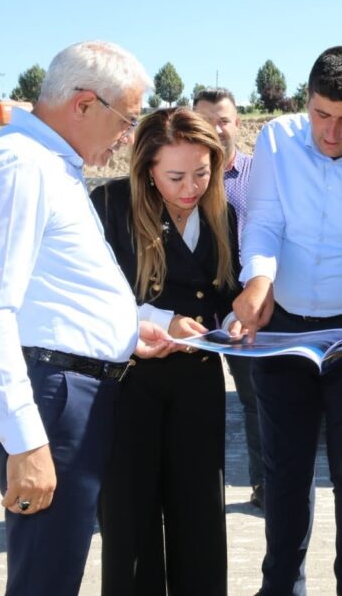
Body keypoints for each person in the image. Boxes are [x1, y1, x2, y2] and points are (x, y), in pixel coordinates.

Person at [0, 40, 176, 595]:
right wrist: (26, 442)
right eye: (126, 119)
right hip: (51, 401)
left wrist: (130, 330)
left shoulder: (49, 165)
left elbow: (52, 290)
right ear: (83, 104)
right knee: (46, 580)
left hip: (68, 390)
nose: (128, 136)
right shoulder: (19, 167)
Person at [231, 46, 342, 595]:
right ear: (307, 102)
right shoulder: (277, 139)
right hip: (282, 330)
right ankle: (281, 586)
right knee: (285, 472)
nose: (331, 132)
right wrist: (257, 280)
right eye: (321, 115)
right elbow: (264, 221)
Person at [92, 106, 239, 595]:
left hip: (198, 382)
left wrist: (237, 317)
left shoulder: (224, 214)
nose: (191, 187)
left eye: (202, 172)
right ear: (147, 169)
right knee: (130, 518)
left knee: (199, 512)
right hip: (129, 382)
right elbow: (94, 296)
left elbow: (225, 293)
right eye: (175, 175)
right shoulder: (111, 205)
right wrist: (158, 321)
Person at [194, 86, 264, 508]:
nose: (216, 129)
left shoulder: (260, 175)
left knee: (255, 401)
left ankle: (264, 485)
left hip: (245, 302)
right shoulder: (181, 174)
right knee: (193, 402)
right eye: (206, 120)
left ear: (238, 122)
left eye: (223, 119)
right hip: (194, 301)